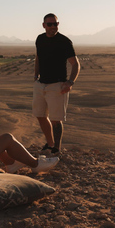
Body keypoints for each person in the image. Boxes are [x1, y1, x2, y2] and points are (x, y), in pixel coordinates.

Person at [33, 13, 80, 156]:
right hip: (41, 84)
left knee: (56, 119)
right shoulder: (40, 39)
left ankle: (56, 149)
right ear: (44, 25)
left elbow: (75, 64)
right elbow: (38, 58)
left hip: (57, 85)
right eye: (50, 24)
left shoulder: (64, 41)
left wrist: (70, 82)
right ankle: (50, 143)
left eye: (55, 24)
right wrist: (36, 75)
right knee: (40, 115)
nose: (53, 27)